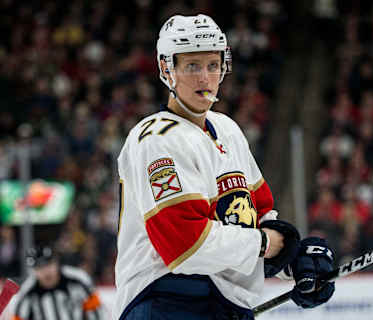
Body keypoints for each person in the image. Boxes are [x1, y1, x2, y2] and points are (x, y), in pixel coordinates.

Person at [114, 14, 335, 320]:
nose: (205, 78)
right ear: (167, 69)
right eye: (192, 66)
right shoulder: (155, 139)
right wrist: (271, 245)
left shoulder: (227, 130)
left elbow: (258, 218)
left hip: (224, 304)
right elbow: (184, 245)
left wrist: (295, 263)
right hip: (166, 301)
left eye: (213, 65)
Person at [12, 246, 105, 320]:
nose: (45, 271)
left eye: (48, 264)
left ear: (56, 262)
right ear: (32, 271)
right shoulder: (26, 294)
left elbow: (96, 311)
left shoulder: (78, 280)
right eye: (39, 268)